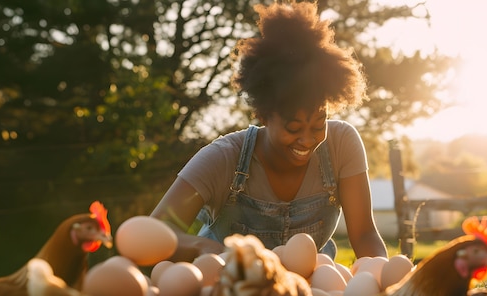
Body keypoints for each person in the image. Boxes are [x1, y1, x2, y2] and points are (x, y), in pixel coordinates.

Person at [151, 1, 388, 262]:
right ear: (263, 114)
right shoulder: (223, 158)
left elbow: (365, 234)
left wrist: (380, 276)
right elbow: (155, 231)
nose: (308, 140)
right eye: (293, 127)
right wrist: (203, 249)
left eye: (319, 124)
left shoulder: (341, 144)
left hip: (311, 285)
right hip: (229, 291)